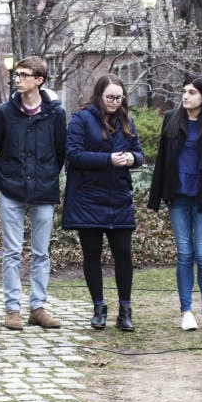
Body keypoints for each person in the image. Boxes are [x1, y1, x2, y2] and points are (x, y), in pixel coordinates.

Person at [0, 56, 66, 330]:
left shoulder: (55, 114)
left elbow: (60, 152)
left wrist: (48, 176)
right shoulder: (4, 113)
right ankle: (12, 309)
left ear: (39, 80)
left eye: (23, 75)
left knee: (41, 253)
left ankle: (38, 308)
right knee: (12, 252)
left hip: (44, 192)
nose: (17, 80)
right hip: (11, 190)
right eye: (16, 75)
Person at [148, 76, 202, 331]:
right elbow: (162, 160)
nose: (185, 96)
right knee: (184, 253)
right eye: (184, 91)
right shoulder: (172, 119)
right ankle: (186, 311)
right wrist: (155, 198)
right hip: (178, 195)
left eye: (192, 92)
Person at [62, 75, 144, 331]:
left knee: (123, 254)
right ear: (99, 95)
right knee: (92, 254)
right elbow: (73, 154)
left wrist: (132, 158)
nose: (115, 102)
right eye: (110, 97)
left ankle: (125, 309)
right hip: (87, 197)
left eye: (119, 98)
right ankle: (98, 307)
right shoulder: (81, 118)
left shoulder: (126, 120)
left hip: (118, 197)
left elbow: (139, 152)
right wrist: (108, 159)